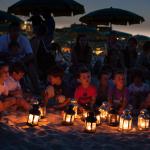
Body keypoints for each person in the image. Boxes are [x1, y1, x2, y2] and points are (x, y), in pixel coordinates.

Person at [0, 22, 40, 94]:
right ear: (9, 31)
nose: (15, 33)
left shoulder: (24, 40)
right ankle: (5, 88)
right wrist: (6, 56)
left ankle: (37, 90)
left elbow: (30, 54)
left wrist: (21, 61)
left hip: (21, 62)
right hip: (6, 62)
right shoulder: (2, 39)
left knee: (31, 67)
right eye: (13, 31)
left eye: (17, 31)